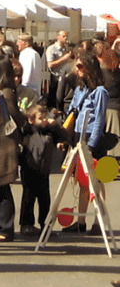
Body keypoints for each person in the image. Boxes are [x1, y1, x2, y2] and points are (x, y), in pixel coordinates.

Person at [60, 53, 109, 235]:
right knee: (82, 180)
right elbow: (73, 111)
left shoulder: (100, 91)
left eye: (81, 67)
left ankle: (98, 221)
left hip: (91, 138)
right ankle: (80, 221)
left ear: (90, 68)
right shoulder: (80, 89)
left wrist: (92, 144)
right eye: (77, 66)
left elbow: (99, 120)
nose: (78, 70)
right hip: (79, 136)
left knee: (96, 180)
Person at [0, 58, 24, 242]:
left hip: (2, 144)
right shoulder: (2, 90)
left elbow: (13, 117)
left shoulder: (5, 92)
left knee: (1, 188)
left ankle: (6, 227)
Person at [19, 102, 64, 237]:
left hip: (44, 170)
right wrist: (31, 121)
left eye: (45, 117)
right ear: (32, 120)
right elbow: (23, 125)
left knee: (45, 199)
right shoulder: (29, 130)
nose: (44, 120)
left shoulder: (49, 131)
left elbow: (61, 135)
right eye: (41, 118)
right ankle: (26, 224)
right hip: (29, 168)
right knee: (29, 197)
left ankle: (45, 225)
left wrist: (54, 125)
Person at [46, 30, 73, 110]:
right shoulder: (51, 49)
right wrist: (63, 59)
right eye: (63, 36)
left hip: (65, 78)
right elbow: (50, 65)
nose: (65, 38)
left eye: (66, 36)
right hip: (56, 78)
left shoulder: (66, 48)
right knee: (55, 100)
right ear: (58, 37)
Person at [16, 35, 45, 106]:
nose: (17, 44)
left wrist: (21, 89)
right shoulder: (35, 53)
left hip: (27, 93)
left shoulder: (25, 54)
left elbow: (26, 74)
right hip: (35, 92)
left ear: (26, 43)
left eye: (19, 41)